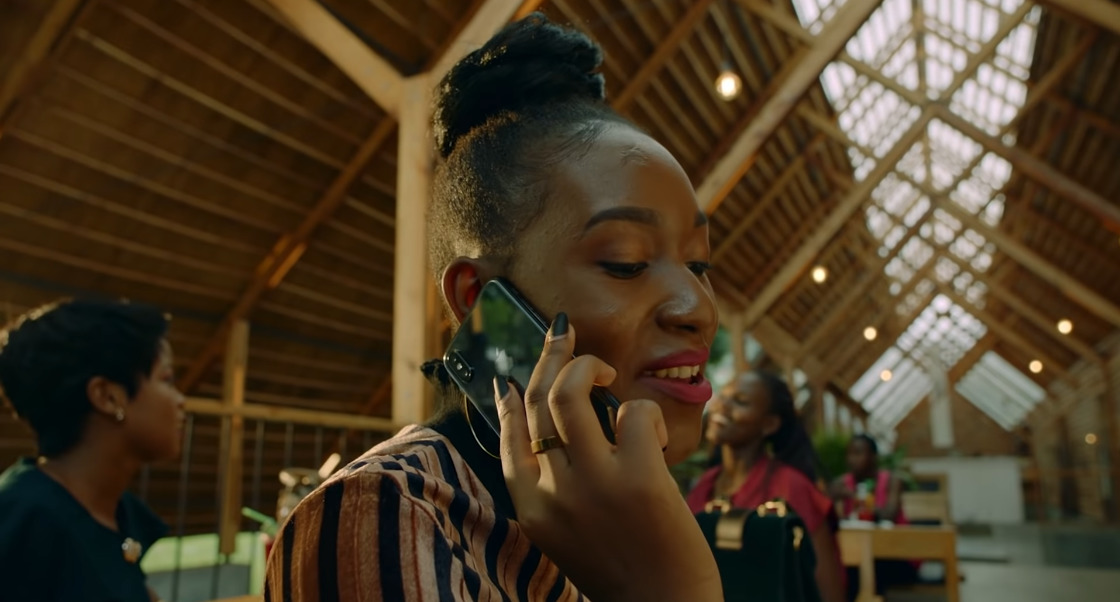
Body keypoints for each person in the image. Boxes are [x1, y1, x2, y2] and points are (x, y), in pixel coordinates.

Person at [264, 12, 724, 602]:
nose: (698, 308)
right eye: (627, 262)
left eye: (699, 265)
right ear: (479, 299)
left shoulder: (631, 506)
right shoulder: (383, 513)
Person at [0, 298, 184, 602]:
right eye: (166, 379)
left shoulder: (115, 512)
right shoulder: (22, 523)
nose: (180, 401)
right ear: (108, 397)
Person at [687, 370, 846, 602]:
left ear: (769, 424)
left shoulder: (792, 487)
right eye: (723, 396)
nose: (722, 406)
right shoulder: (705, 485)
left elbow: (829, 592)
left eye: (740, 402)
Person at [831, 434, 918, 601]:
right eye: (849, 454)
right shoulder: (842, 483)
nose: (852, 459)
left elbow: (889, 514)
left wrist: (859, 499)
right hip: (859, 556)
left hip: (895, 555)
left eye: (858, 453)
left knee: (863, 569)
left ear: (873, 457)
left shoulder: (892, 481)